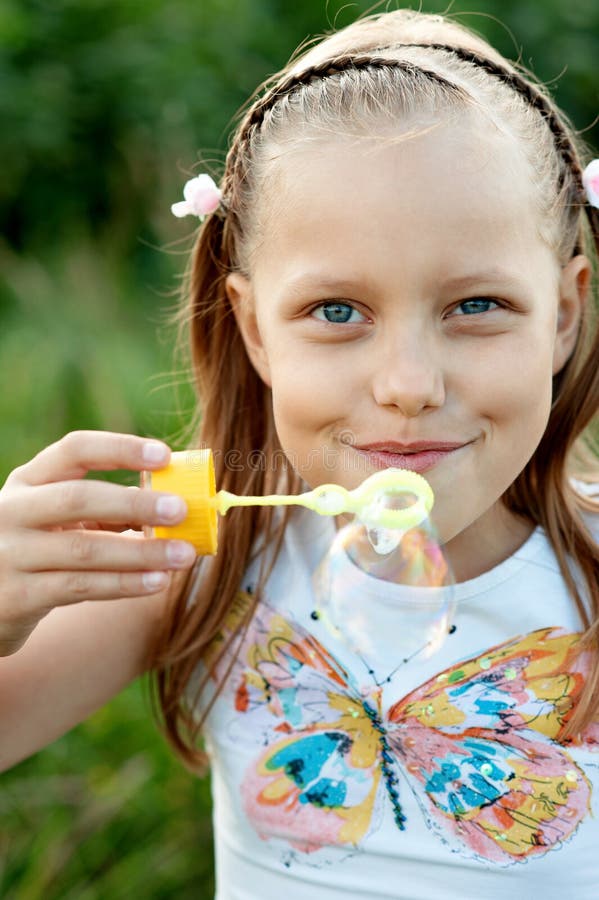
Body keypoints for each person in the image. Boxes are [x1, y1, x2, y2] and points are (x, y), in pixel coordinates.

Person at [1, 7, 598, 898]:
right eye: (335, 312)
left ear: (561, 313)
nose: (407, 383)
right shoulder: (197, 563)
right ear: (252, 328)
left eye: (474, 305)